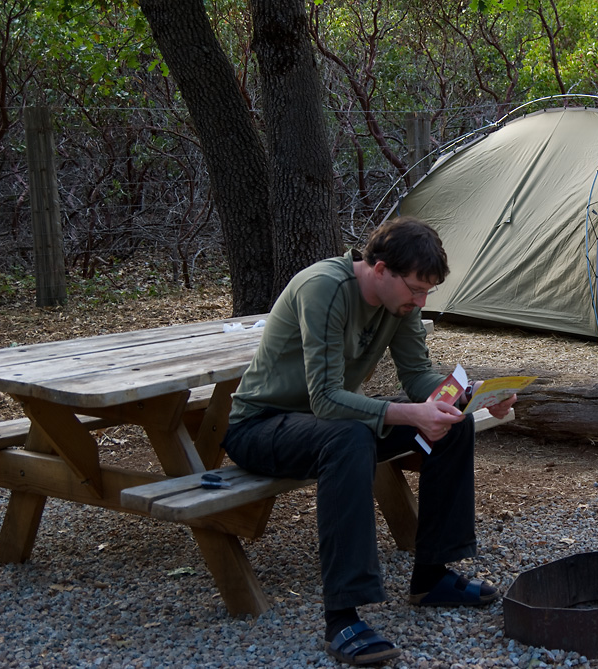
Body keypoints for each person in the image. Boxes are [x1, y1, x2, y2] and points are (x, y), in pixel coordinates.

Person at [221, 216, 516, 666]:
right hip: (261, 427)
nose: (420, 301)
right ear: (380, 270)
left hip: (329, 424)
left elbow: (419, 377)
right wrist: (410, 414)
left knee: (452, 423)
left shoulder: (399, 306)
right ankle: (342, 617)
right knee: (350, 439)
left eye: (427, 292)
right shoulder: (324, 288)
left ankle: (432, 577)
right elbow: (324, 400)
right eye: (415, 289)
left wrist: (471, 396)